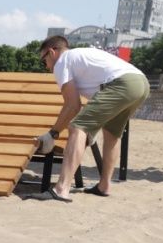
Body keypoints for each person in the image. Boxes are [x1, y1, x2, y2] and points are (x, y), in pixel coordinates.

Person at [31, 35, 149, 202]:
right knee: (111, 133)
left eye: (44, 61)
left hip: (121, 84)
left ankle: (61, 189)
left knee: (77, 127)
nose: (46, 67)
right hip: (141, 83)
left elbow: (73, 105)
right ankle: (104, 185)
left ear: (51, 52)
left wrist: (53, 133)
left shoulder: (62, 62)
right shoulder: (80, 55)